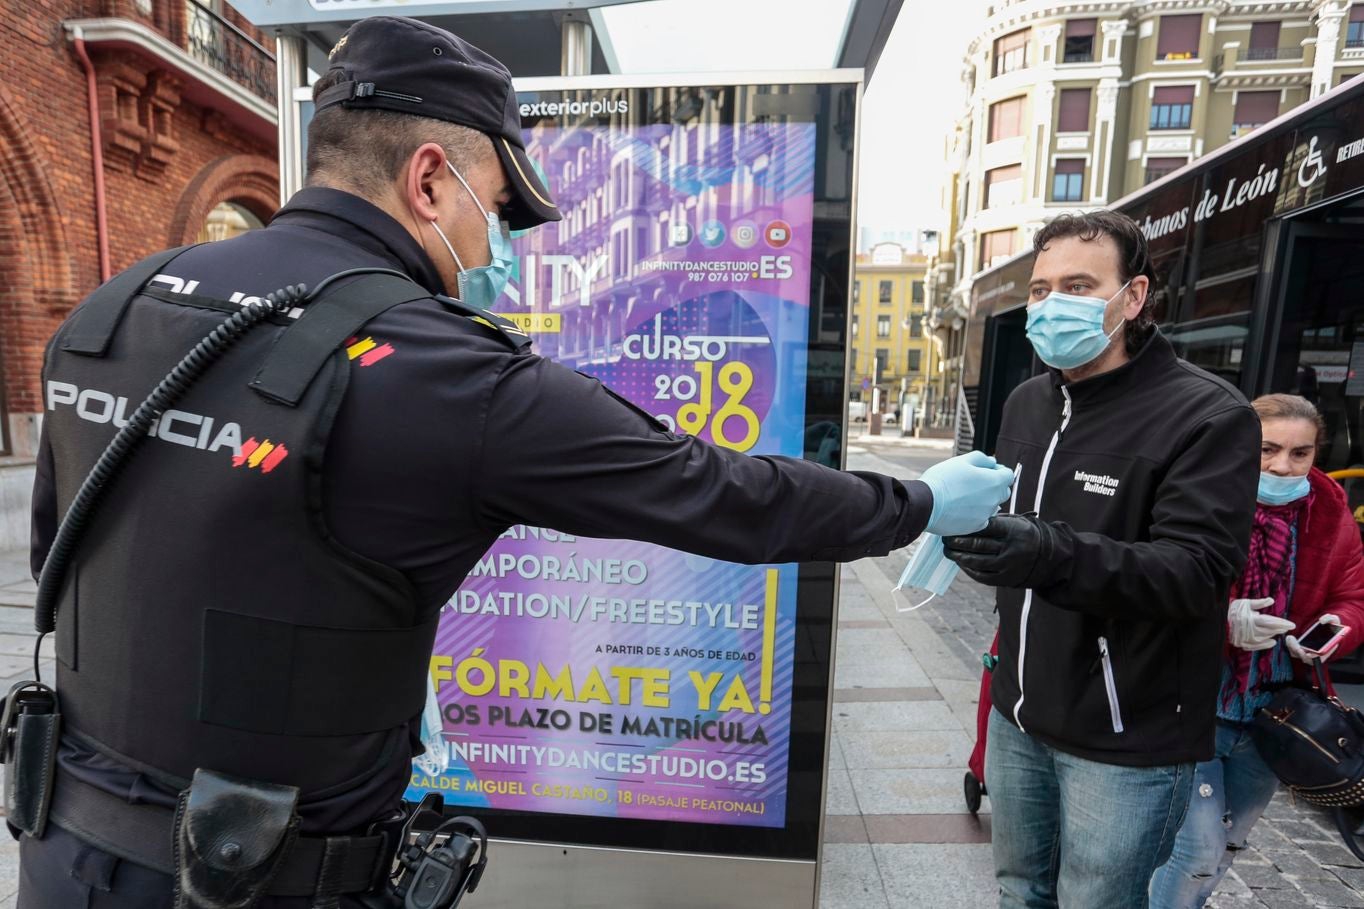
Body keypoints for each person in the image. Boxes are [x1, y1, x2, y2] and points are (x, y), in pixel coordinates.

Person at [18, 16, 1014, 908]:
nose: (500, 242)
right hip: (267, 878)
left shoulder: (112, 308)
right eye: (497, 205)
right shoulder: (446, 371)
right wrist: (920, 499)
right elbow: (725, 495)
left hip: (67, 850)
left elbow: (74, 551)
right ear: (427, 180)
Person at [941, 210, 1262, 909]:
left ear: (1134, 296)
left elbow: (1197, 573)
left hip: (1125, 738)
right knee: (1020, 891)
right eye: (1040, 287)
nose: (1052, 303)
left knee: (1099, 902)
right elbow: (1014, 531)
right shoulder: (1028, 400)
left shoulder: (1208, 414)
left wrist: (1047, 552)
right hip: (1017, 714)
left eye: (1079, 284)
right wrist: (977, 543)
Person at [1149, 394, 1364, 908]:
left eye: (1300, 453)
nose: (1281, 465)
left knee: (1226, 846)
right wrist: (1221, 622)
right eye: (1266, 448)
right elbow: (1149, 585)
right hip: (1189, 707)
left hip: (1272, 715)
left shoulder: (1329, 506)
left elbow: (1352, 595)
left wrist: (1338, 628)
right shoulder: (1197, 492)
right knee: (1197, 850)